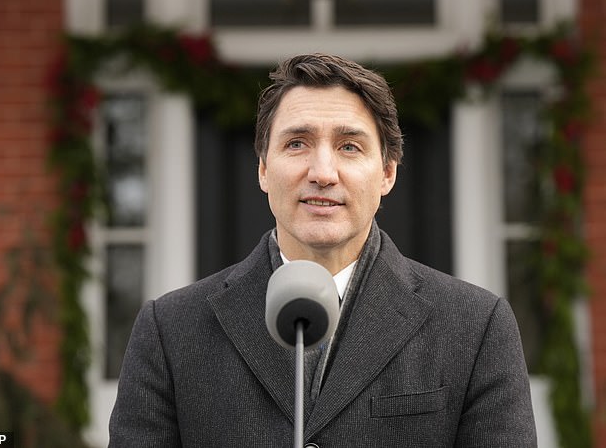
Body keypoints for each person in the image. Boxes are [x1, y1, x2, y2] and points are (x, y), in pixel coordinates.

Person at [109, 53, 537, 447]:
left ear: (387, 173)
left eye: (349, 147)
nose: (323, 173)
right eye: (297, 143)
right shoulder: (169, 331)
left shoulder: (477, 328)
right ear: (262, 168)